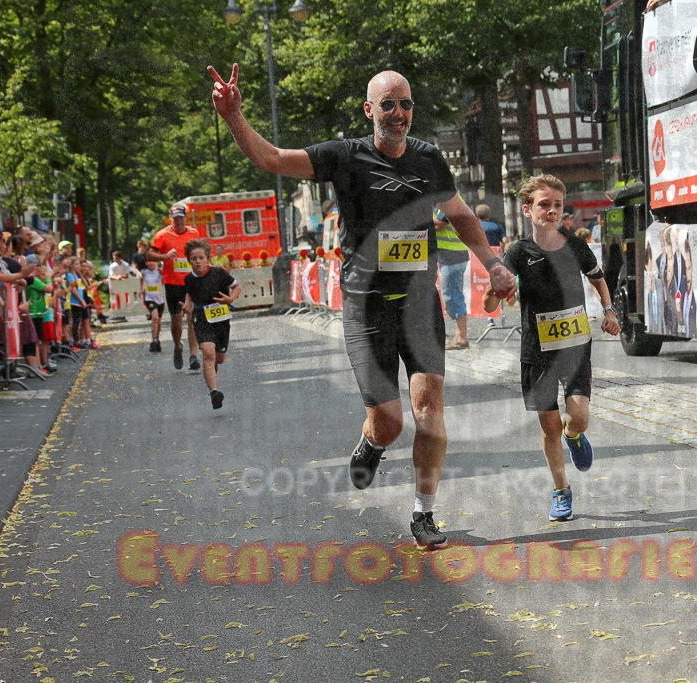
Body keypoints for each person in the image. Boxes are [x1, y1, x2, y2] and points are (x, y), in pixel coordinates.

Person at [209, 64, 517, 548]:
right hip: (365, 306)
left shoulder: (430, 159)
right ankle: (373, 441)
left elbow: (458, 215)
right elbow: (270, 158)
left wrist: (494, 264)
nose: (398, 114)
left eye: (406, 104)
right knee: (390, 421)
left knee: (430, 412)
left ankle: (424, 512)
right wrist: (233, 117)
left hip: (419, 304)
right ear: (369, 110)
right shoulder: (343, 157)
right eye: (388, 104)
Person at [484, 174, 620, 522]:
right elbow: (488, 304)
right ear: (527, 209)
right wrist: (492, 291)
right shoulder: (518, 252)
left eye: (558, 205)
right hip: (536, 350)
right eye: (545, 204)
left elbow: (597, 278)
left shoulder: (575, 245)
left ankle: (574, 437)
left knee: (578, 418)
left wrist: (608, 310)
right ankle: (562, 491)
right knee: (548, 429)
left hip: (574, 345)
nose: (553, 210)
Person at [182, 238, 241, 410]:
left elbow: (237, 287)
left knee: (219, 358)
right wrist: (187, 306)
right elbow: (189, 295)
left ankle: (214, 363)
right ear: (189, 261)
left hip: (221, 320)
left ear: (208, 258)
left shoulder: (219, 273)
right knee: (208, 353)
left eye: (201, 257)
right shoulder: (188, 279)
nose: (198, 261)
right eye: (194, 258)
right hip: (202, 317)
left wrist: (230, 298)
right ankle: (214, 392)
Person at [148, 204, 201, 371]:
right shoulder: (162, 235)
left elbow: (201, 252)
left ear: (185, 218)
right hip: (172, 283)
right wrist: (164, 256)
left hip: (191, 281)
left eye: (181, 217)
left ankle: (193, 356)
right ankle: (178, 346)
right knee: (176, 322)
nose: (178, 221)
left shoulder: (193, 233)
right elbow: (149, 255)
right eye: (175, 218)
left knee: (192, 318)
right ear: (170, 218)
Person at [433, 208, 470, 350]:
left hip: (452, 257)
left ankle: (461, 338)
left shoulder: (446, 202)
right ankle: (459, 336)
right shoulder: (441, 203)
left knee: (453, 296)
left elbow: (438, 225)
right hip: (450, 256)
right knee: (452, 296)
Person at [140, 256, 165, 352]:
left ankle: (156, 339)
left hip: (160, 299)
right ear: (146, 262)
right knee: (154, 317)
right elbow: (141, 279)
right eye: (149, 261)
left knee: (158, 320)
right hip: (149, 298)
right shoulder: (144, 272)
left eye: (153, 261)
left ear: (157, 262)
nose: (151, 263)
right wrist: (141, 289)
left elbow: (166, 280)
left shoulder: (160, 272)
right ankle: (154, 340)